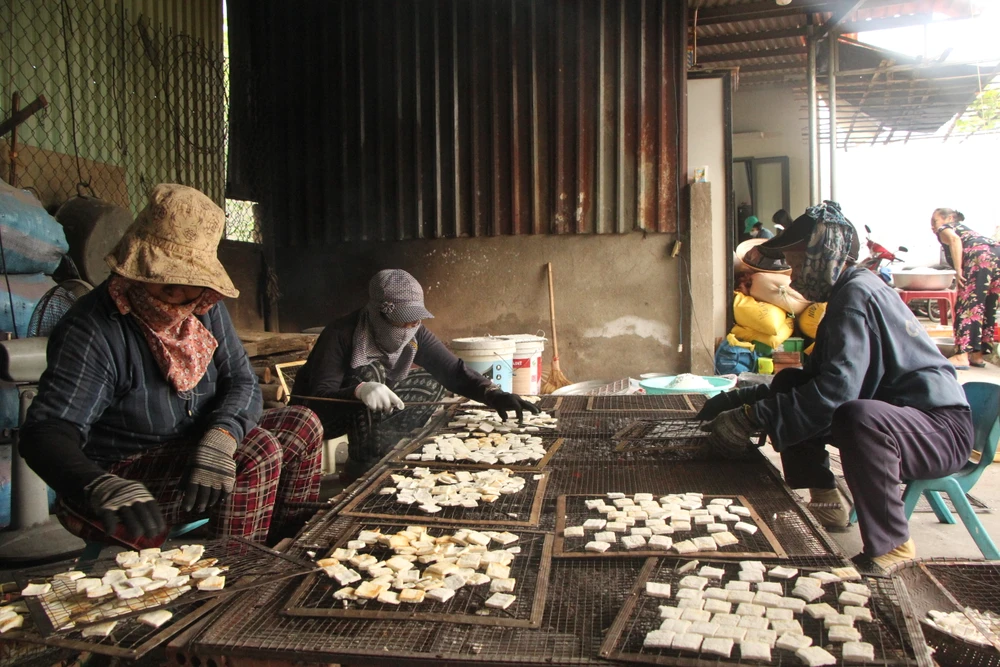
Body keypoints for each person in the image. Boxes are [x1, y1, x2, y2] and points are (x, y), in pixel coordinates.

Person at [20, 184, 324, 547]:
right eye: (166, 288)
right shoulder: (92, 330)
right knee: (256, 452)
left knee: (302, 424)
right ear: (137, 271)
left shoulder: (202, 309)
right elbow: (47, 432)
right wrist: (98, 483)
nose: (178, 301)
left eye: (189, 287)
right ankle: (232, 580)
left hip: (195, 446)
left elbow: (241, 381)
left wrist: (222, 435)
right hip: (122, 477)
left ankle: (283, 548)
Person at [699, 201, 972, 573]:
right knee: (793, 381)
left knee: (859, 416)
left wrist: (752, 417)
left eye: (798, 262)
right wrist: (745, 399)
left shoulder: (855, 297)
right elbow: (814, 381)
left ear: (824, 255)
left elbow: (836, 394)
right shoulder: (847, 291)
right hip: (903, 422)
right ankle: (827, 500)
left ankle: (893, 546)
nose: (793, 276)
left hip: (937, 431)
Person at [292, 269, 540, 480]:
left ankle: (388, 448)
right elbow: (319, 401)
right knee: (370, 371)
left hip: (369, 413)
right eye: (402, 322)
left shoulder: (415, 333)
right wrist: (359, 390)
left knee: (431, 383)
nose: (410, 329)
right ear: (379, 314)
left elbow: (452, 370)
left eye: (415, 322)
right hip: (319, 418)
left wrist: (493, 393)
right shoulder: (341, 334)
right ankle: (362, 467)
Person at [931, 208, 1000, 369]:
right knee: (987, 305)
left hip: (979, 258)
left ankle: (962, 355)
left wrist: (958, 269)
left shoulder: (946, 228)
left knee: (967, 305)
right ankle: (977, 355)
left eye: (935, 221)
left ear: (949, 218)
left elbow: (954, 240)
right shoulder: (970, 231)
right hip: (997, 254)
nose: (933, 227)